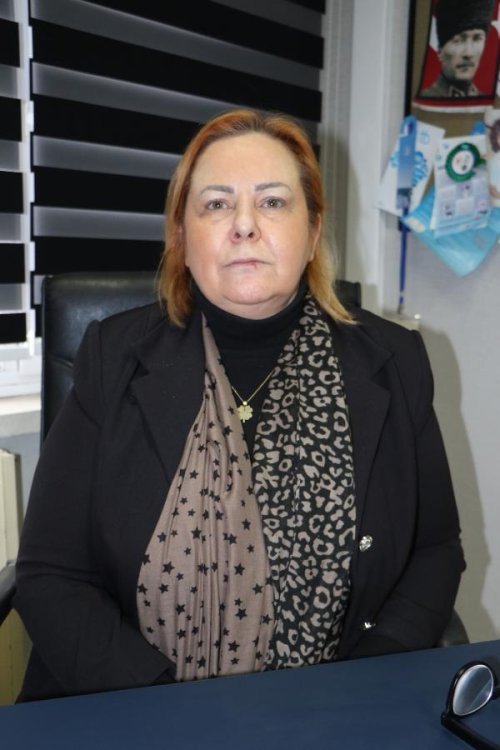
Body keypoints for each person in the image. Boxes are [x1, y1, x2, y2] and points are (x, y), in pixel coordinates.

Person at [14, 109, 465, 702]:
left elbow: (436, 549)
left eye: (273, 202)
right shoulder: (111, 357)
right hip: (133, 712)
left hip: (334, 712)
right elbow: (51, 573)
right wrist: (162, 707)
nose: (245, 225)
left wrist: (364, 684)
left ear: (313, 232)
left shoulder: (395, 361)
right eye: (217, 204)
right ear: (182, 238)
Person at [421, 0, 494, 98]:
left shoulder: (488, 101)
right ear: (439, 51)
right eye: (458, 40)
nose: (468, 53)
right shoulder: (426, 101)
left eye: (477, 38)